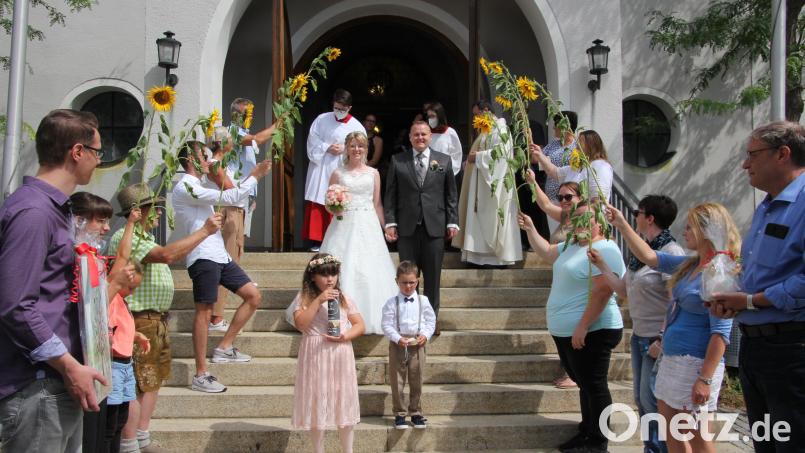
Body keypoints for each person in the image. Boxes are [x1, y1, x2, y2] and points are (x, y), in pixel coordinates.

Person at [0, 109, 108, 453]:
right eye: (97, 152)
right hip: (37, 385)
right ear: (77, 152)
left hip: (55, 383)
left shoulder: (53, 209)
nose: (98, 162)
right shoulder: (33, 212)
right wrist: (67, 364)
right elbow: (16, 305)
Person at [607, 202, 738, 453]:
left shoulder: (718, 272)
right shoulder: (689, 264)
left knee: (698, 437)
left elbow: (720, 333)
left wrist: (705, 378)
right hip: (673, 359)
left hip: (696, 362)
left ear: (707, 232)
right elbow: (649, 257)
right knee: (672, 432)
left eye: (690, 226)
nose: (684, 231)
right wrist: (622, 224)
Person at [708, 121, 805, 453]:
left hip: (792, 348)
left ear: (783, 154)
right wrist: (734, 299)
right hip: (756, 349)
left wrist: (750, 301)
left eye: (752, 154)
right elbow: (762, 273)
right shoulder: (766, 205)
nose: (745, 164)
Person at [109, 181, 223, 453]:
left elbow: (169, 254)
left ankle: (141, 436)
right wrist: (205, 231)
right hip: (139, 319)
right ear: (139, 211)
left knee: (153, 379)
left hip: (155, 319)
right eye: (154, 208)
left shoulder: (144, 237)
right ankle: (128, 443)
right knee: (139, 381)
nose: (159, 213)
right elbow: (167, 255)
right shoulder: (127, 237)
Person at [518, 201, 624, 453]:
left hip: (594, 329)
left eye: (584, 218)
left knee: (595, 384)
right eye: (575, 218)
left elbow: (602, 292)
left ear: (599, 221)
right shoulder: (571, 245)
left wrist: (583, 326)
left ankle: (598, 442)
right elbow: (546, 252)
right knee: (584, 383)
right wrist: (531, 229)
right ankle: (586, 431)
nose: (578, 223)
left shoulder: (605, 248)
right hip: (567, 329)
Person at [172, 137, 272, 393]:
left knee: (253, 296)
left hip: (218, 253)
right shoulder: (185, 187)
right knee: (204, 313)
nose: (208, 161)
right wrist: (255, 175)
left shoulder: (198, 184)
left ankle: (224, 347)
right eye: (204, 157)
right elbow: (231, 195)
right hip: (202, 254)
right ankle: (201, 373)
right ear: (193, 160)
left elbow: (226, 190)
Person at [588, 195, 685, 453]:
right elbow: (624, 290)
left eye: (637, 212)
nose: (635, 216)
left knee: (652, 402)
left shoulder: (670, 252)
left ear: (649, 218)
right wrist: (602, 265)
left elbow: (676, 300)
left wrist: (662, 339)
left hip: (656, 338)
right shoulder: (641, 253)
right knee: (643, 402)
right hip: (640, 336)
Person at [69, 192, 139, 453]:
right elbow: (91, 310)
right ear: (77, 220)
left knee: (105, 432)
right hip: (79, 365)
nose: (107, 228)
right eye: (100, 221)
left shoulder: (92, 257)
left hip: (98, 365)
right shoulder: (72, 257)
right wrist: (117, 284)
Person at [207, 99, 277, 333]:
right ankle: (216, 316)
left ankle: (220, 309)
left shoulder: (239, 135)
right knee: (228, 257)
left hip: (241, 201)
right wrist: (279, 123)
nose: (249, 117)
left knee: (235, 253)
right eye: (246, 113)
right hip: (232, 204)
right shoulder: (233, 133)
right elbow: (257, 139)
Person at [384, 120, 459, 334]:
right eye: (415, 134)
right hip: (407, 228)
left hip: (435, 227)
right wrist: (390, 221)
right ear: (410, 137)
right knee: (408, 277)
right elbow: (390, 195)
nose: (420, 138)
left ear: (430, 137)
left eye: (424, 134)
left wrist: (453, 220)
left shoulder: (443, 160)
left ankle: (430, 322)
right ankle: (409, 321)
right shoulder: (398, 161)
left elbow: (450, 194)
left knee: (433, 278)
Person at [319, 132, 398, 334]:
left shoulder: (373, 173)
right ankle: (335, 317)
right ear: (347, 148)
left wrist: (386, 226)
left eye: (360, 146)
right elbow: (328, 204)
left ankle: (370, 316)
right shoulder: (338, 173)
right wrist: (335, 207)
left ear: (366, 149)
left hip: (368, 223)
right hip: (343, 223)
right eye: (353, 146)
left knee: (369, 268)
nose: (356, 150)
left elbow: (377, 203)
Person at [291, 253, 364, 453]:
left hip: (340, 352)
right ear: (313, 276)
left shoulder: (344, 298)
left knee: (344, 401)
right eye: (324, 275)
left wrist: (346, 335)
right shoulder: (304, 298)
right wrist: (318, 301)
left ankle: (348, 450)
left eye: (333, 274)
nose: (330, 279)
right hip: (315, 352)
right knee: (317, 402)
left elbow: (359, 324)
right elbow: (301, 324)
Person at [524, 172, 581, 390]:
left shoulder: (583, 220)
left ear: (580, 199)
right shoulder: (565, 217)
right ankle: (569, 369)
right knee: (563, 327)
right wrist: (532, 182)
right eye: (561, 197)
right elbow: (546, 204)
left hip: (575, 285)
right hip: (560, 281)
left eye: (569, 197)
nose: (563, 201)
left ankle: (573, 373)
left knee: (572, 328)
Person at [453, 103, 522, 266]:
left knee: (493, 216)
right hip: (481, 182)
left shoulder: (501, 129)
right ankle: (476, 256)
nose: (475, 119)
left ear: (487, 112)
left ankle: (495, 258)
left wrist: (477, 157)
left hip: (493, 183)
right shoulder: (486, 130)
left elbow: (502, 155)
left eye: (477, 114)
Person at [303, 89, 365, 251]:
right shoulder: (321, 119)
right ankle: (317, 240)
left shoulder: (356, 126)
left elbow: (362, 146)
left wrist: (345, 148)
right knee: (320, 197)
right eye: (336, 108)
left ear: (349, 108)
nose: (339, 112)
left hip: (342, 167)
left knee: (341, 198)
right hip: (322, 165)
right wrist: (326, 147)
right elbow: (312, 138)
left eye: (342, 109)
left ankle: (340, 240)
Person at [381, 261, 436, 430]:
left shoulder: (423, 300)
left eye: (412, 282)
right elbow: (386, 324)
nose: (408, 286)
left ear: (417, 281)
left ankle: (416, 412)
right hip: (398, 344)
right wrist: (397, 338)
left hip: (417, 344)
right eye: (404, 282)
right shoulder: (391, 303)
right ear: (397, 281)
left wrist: (425, 335)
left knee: (416, 378)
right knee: (397, 380)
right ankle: (399, 413)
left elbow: (431, 320)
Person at [531, 129, 614, 202]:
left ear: (590, 146)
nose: (576, 146)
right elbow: (554, 172)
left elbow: (598, 199)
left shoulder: (600, 166)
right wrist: (540, 155)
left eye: (580, 142)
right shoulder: (578, 167)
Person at [425, 101, 462, 176]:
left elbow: (456, 155)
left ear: (440, 116)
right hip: (427, 176)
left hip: (443, 174)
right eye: (429, 117)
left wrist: (443, 169)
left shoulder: (449, 132)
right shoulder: (425, 133)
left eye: (433, 116)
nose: (430, 119)